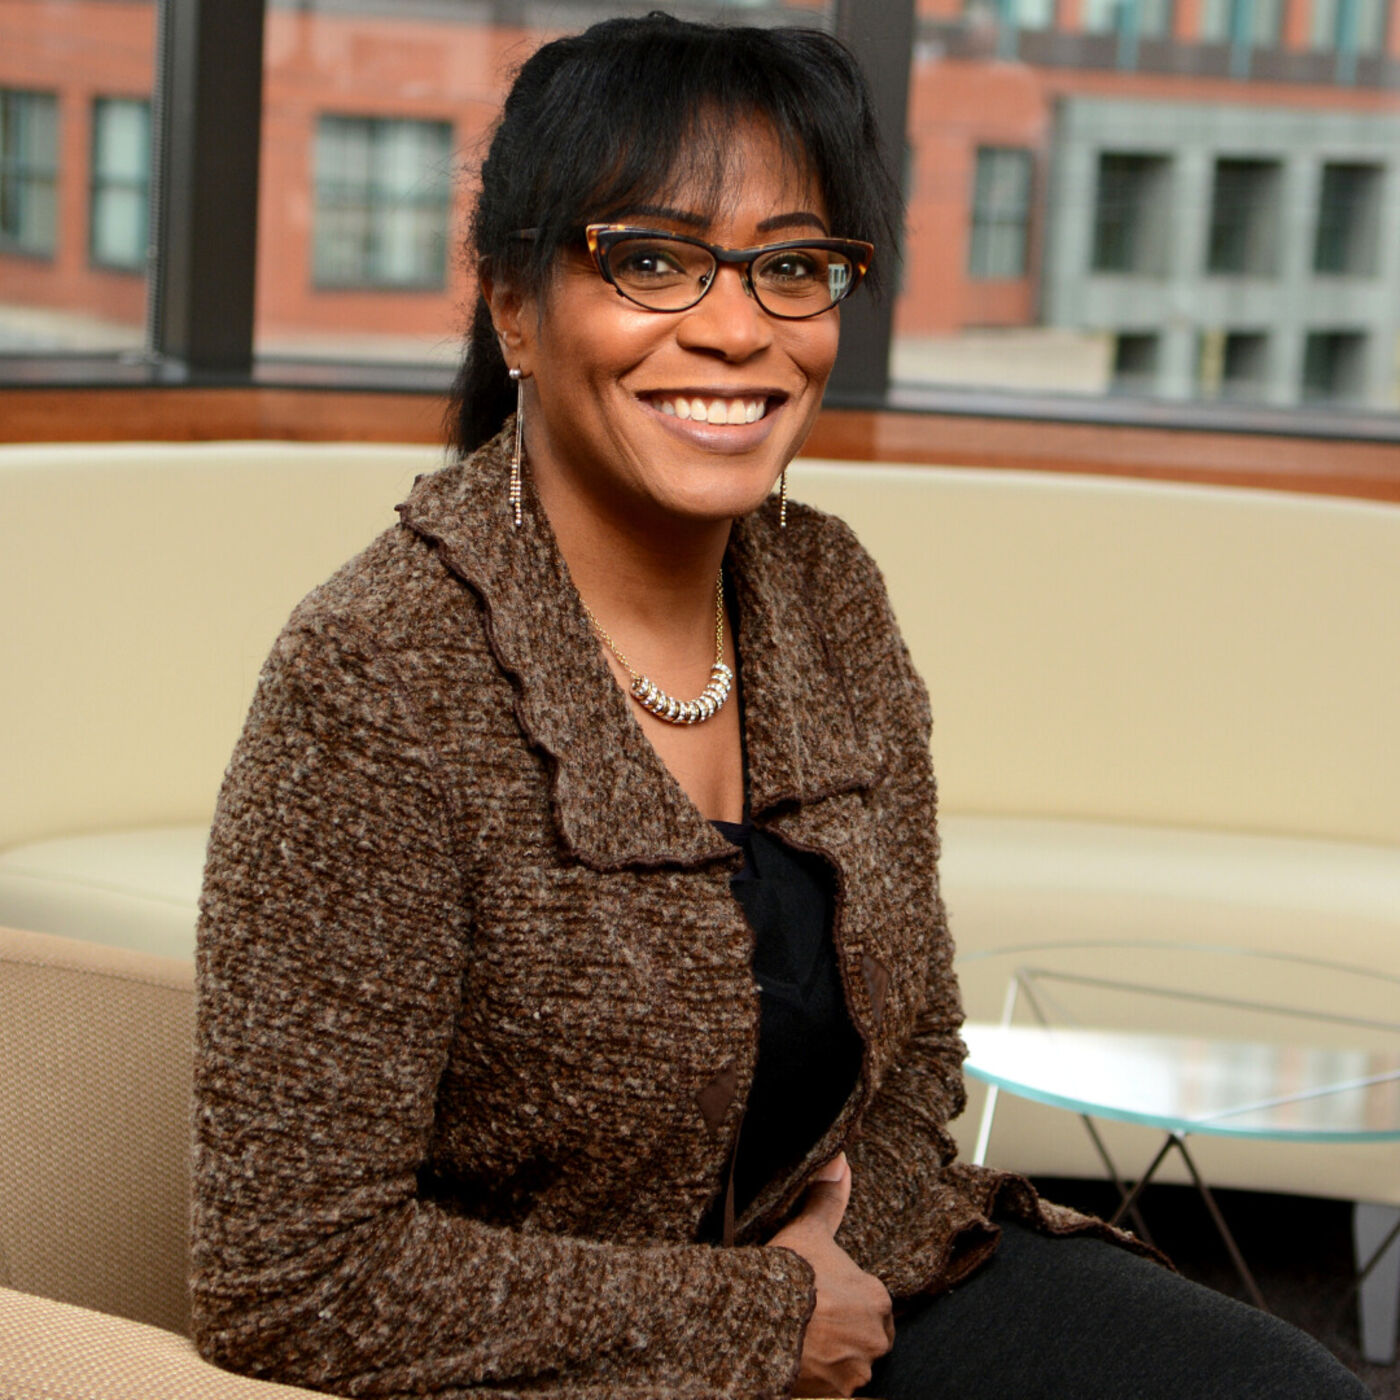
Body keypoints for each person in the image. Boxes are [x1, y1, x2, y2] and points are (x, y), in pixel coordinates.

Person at [190, 14, 1368, 1400]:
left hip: (861, 1285)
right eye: (651, 260)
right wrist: (757, 1323)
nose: (739, 329)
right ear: (514, 305)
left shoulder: (827, 594)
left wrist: (835, 1288)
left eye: (794, 266)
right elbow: (290, 1279)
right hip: (550, 1366)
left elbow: (914, 1064)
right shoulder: (375, 676)